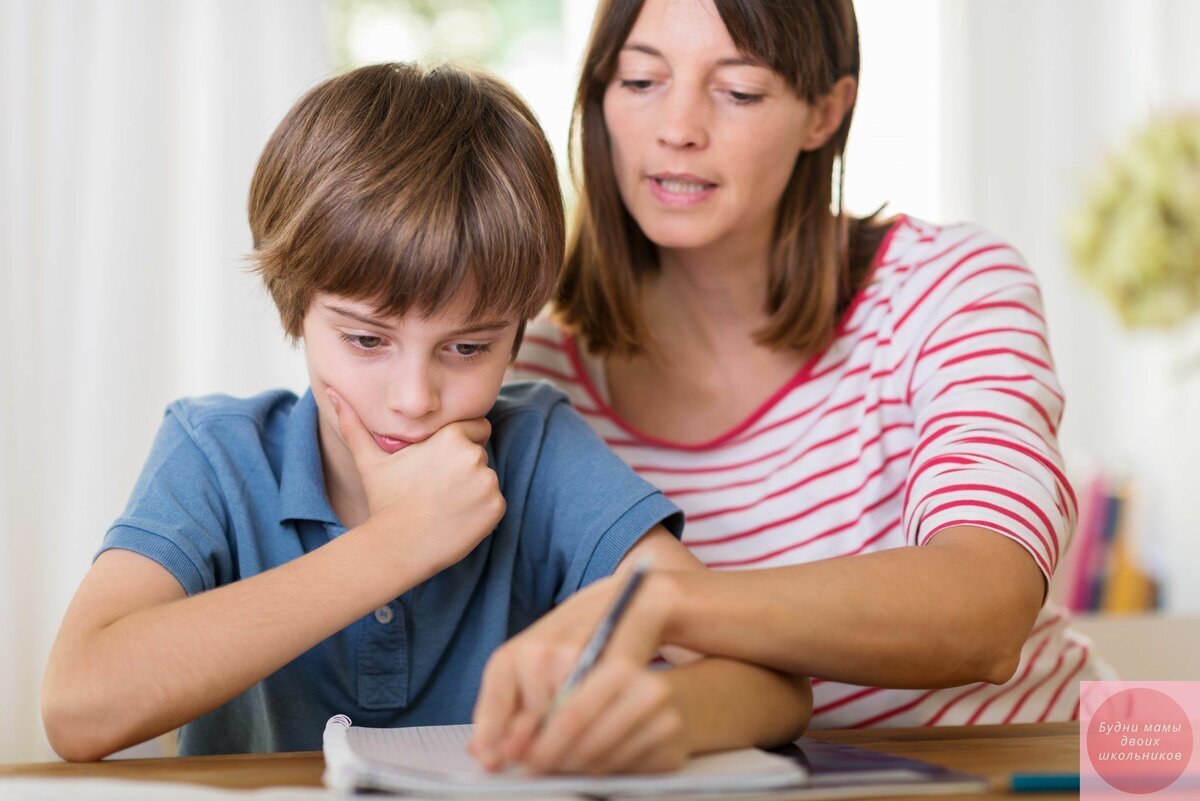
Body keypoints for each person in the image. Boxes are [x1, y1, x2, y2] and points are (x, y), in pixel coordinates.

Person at [40, 62, 812, 769]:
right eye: (367, 339)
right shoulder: (214, 452)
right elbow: (78, 706)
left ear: (519, 332)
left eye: (468, 346)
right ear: (296, 306)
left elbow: (773, 683)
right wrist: (394, 545)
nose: (414, 397)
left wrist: (664, 711)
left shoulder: (539, 449)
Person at [481, 0, 1106, 757]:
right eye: (642, 80)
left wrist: (665, 602)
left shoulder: (948, 286)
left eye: (739, 90)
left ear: (825, 113)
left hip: (1058, 756)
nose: (677, 126)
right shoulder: (534, 380)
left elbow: (989, 611)